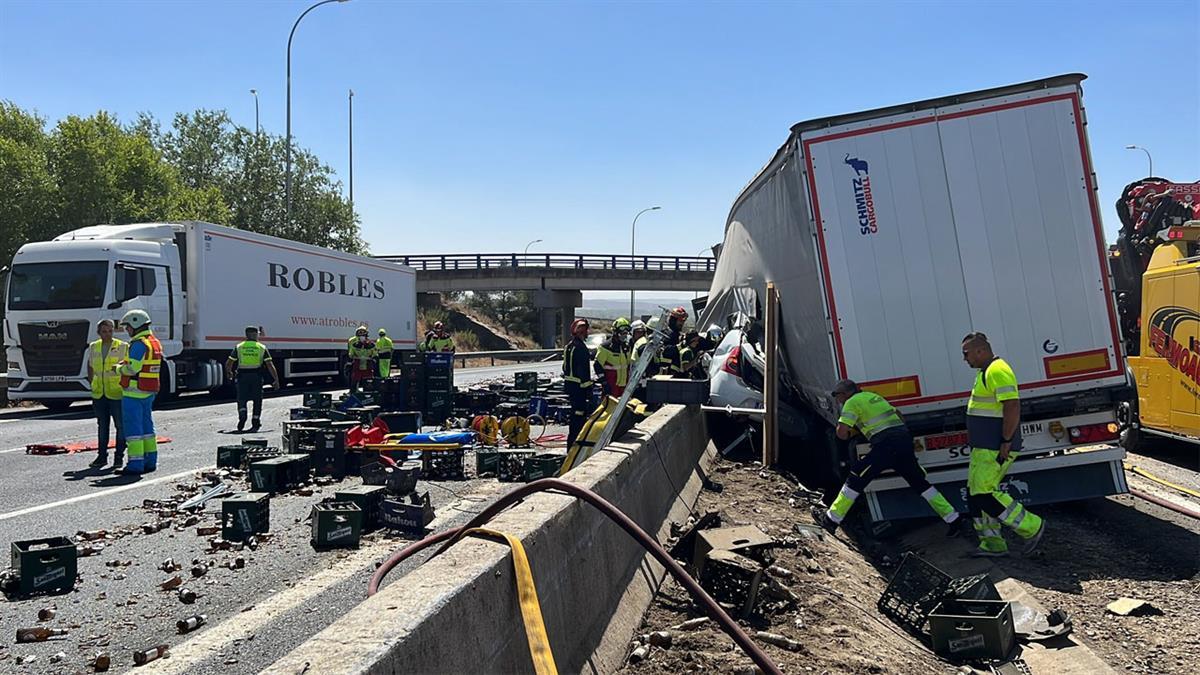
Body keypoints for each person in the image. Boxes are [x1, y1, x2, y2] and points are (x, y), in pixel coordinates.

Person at [814, 380, 965, 536]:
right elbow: (899, 416)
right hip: (904, 441)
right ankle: (954, 519)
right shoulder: (873, 396)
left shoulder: (851, 403)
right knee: (921, 484)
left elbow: (842, 434)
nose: (836, 399)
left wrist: (856, 431)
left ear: (844, 394)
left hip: (885, 446)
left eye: (836, 395)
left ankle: (830, 520)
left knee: (856, 478)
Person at [961, 332, 1046, 557]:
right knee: (974, 495)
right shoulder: (986, 372)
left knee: (983, 494)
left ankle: (1031, 526)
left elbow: (1012, 406)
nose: (965, 359)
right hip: (983, 447)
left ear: (981, 350)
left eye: (967, 353)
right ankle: (992, 544)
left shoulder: (997, 370)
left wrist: (1006, 441)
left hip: (993, 446)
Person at [115, 310, 162, 475]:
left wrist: (119, 368)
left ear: (135, 325)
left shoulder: (138, 343)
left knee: (133, 430)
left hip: (134, 393)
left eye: (128, 327)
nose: (127, 330)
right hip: (148, 391)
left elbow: (133, 368)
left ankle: (135, 464)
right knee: (148, 429)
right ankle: (150, 461)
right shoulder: (154, 342)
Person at [86, 319, 127, 469]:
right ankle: (102, 456)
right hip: (99, 393)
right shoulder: (94, 346)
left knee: (120, 426)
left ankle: (119, 458)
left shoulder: (122, 346)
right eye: (104, 331)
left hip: (116, 393)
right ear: (99, 333)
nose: (107, 334)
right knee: (102, 426)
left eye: (110, 331)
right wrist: (92, 382)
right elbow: (90, 366)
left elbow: (127, 367)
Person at [225, 326, 280, 432]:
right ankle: (255, 422)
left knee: (242, 398)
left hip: (242, 376)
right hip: (256, 376)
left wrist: (229, 373)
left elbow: (229, 363)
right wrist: (276, 379)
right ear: (255, 334)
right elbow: (269, 364)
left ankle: (242, 415)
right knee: (257, 399)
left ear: (246, 335)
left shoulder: (239, 347)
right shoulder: (261, 347)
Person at [563, 318, 594, 448]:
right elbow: (584, 371)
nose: (587, 333)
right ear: (582, 331)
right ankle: (576, 443)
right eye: (586, 330)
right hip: (579, 389)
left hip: (570, 387)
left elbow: (565, 367)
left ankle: (572, 442)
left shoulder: (569, 346)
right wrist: (589, 389)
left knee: (575, 414)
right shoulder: (581, 348)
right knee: (579, 415)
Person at [594, 317, 632, 397]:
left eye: (626, 333)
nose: (624, 336)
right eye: (622, 333)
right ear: (615, 332)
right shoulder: (606, 347)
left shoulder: (627, 347)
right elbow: (597, 365)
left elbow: (628, 365)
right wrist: (604, 382)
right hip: (611, 385)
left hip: (624, 386)